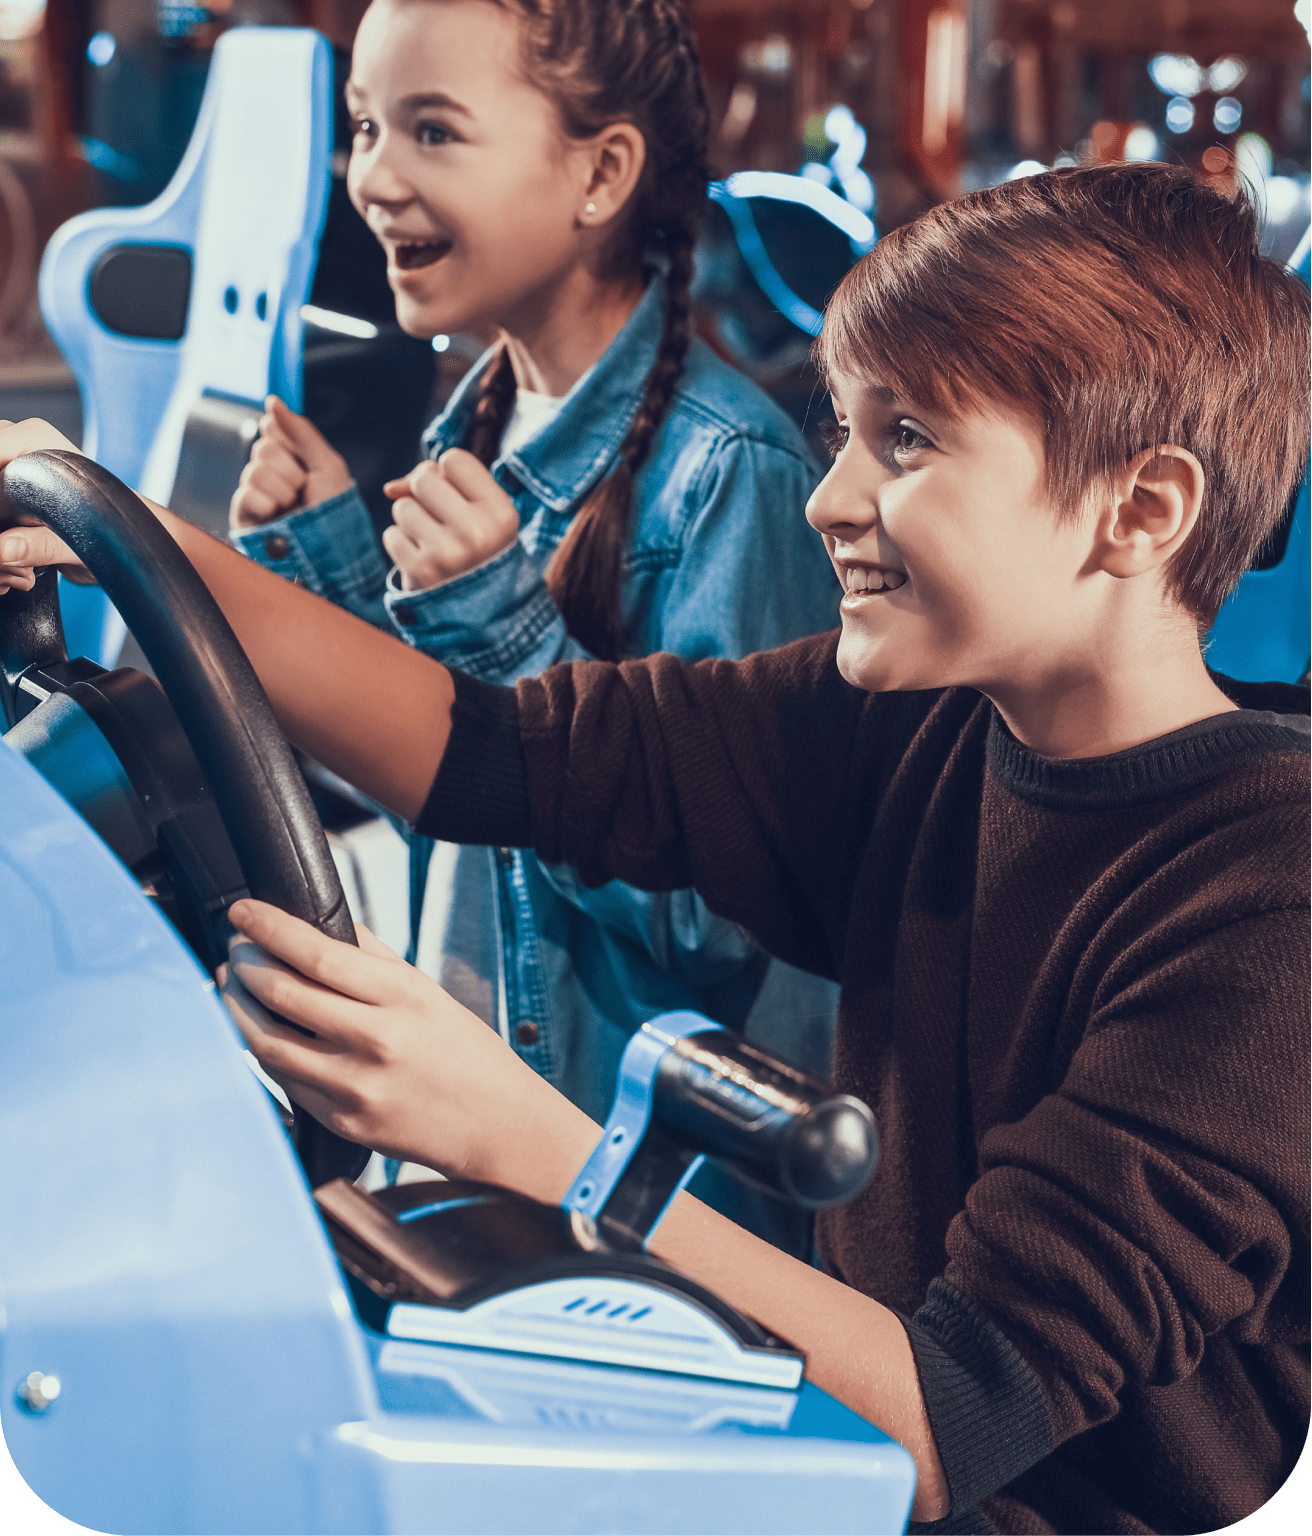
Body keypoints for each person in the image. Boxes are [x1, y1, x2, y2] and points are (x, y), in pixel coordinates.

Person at [1, 164, 1307, 1533]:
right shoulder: (925, 725)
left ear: (1142, 509)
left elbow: (949, 1417)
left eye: (908, 440)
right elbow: (482, 749)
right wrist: (115, 539)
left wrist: (516, 1133)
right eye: (849, 432)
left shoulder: (1268, 905)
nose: (830, 499)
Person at [222, 0, 838, 1236]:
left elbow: (722, 921)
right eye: (363, 127)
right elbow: (434, 784)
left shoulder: (730, 475)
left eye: (432, 131)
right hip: (494, 1158)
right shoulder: (480, 425)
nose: (371, 179)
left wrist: (500, 624)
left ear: (600, 171)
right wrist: (330, 556)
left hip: (661, 1223)